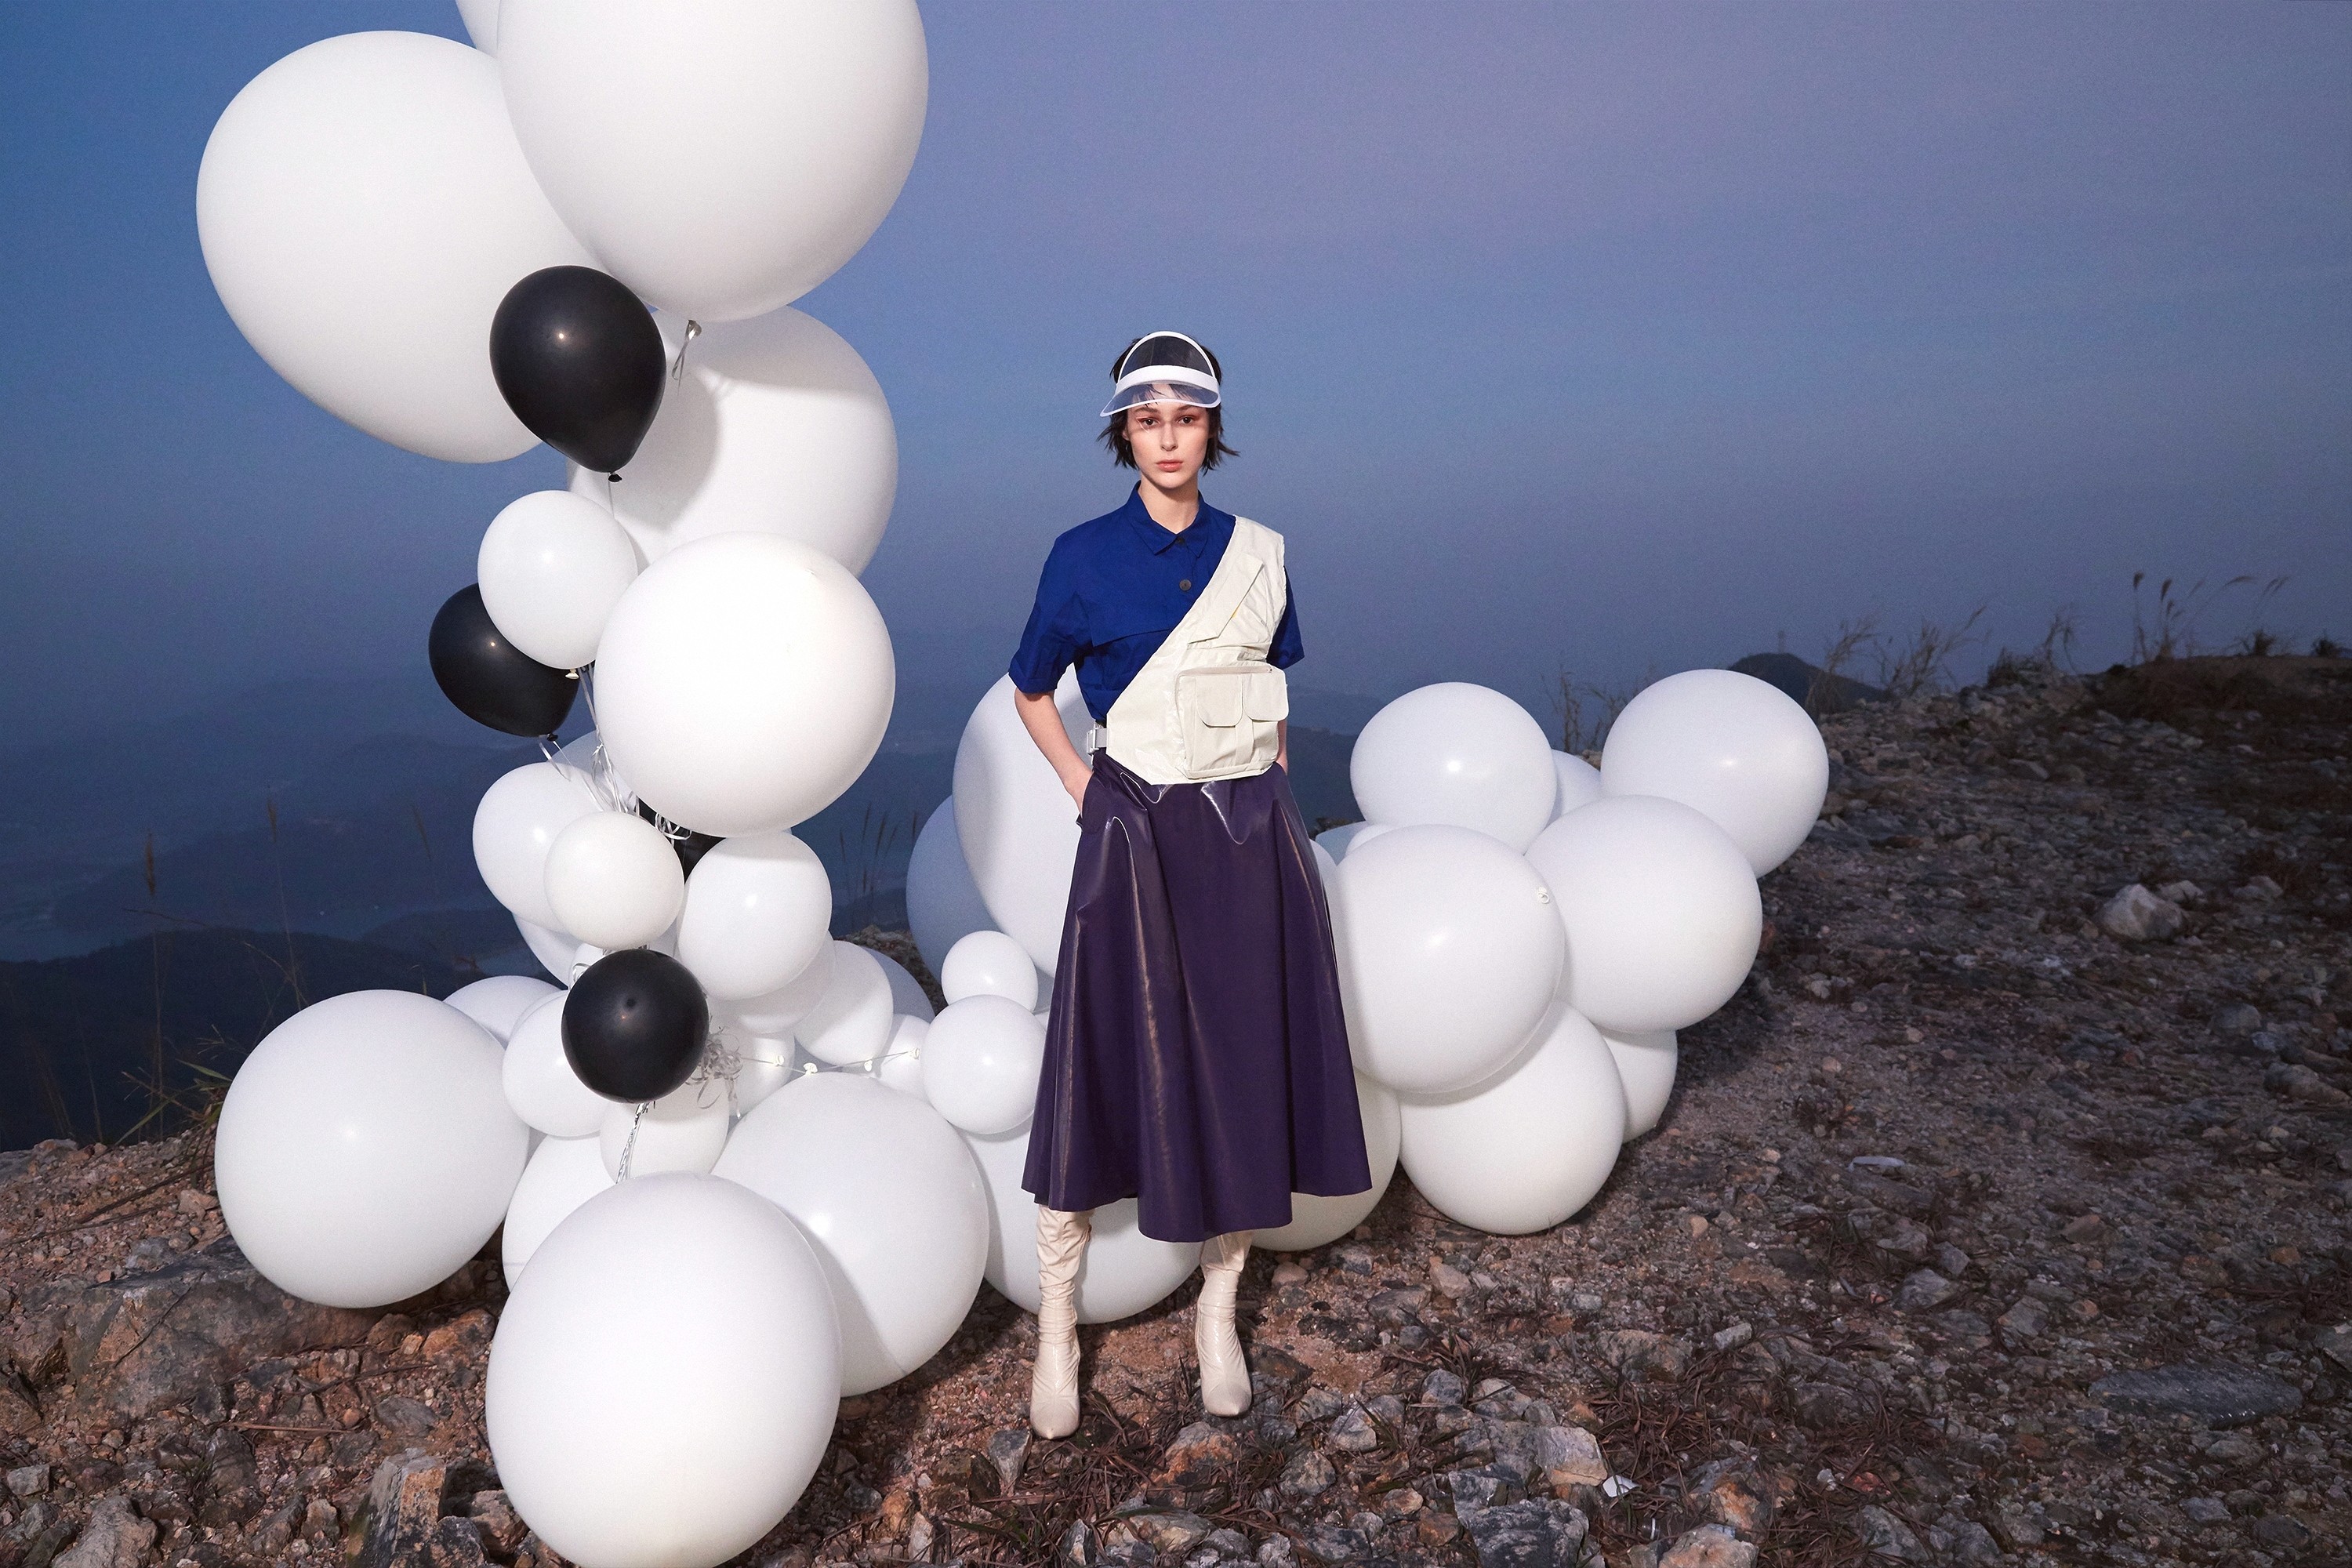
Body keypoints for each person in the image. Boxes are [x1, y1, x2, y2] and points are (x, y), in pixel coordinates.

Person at [1006, 331, 1370, 1439]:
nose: (1169, 438)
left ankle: (1219, 1311)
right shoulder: (1079, 555)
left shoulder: (1262, 550)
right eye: (1149, 420)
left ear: (1214, 427)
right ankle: (1058, 1330)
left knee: (1244, 1062)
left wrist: (1272, 810)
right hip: (1134, 832)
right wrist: (1084, 786)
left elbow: (1270, 699)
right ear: (1125, 432)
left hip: (1243, 834)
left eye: (1189, 418)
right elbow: (1031, 688)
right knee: (1101, 1057)